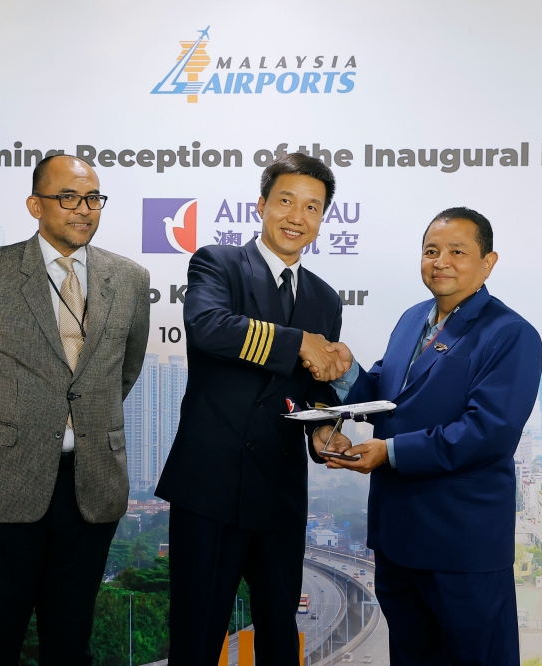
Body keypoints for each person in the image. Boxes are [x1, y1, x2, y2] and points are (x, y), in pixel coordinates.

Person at [0, 155, 150, 666]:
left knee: (70, 642)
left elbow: (125, 370)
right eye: (69, 198)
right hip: (5, 481)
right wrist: (8, 427)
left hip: (91, 485)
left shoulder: (128, 278)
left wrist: (77, 425)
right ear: (36, 205)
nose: (84, 210)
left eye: (93, 199)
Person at [320, 207, 542, 666]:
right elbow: (384, 394)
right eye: (431, 251)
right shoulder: (412, 318)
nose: (440, 261)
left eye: (457, 251)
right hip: (397, 538)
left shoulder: (512, 334)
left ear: (488, 262)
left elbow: (489, 432)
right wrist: (344, 373)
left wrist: (390, 452)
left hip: (461, 546)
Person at [155, 153, 352, 665]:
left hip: (279, 491)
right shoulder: (217, 263)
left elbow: (316, 389)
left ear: (322, 220)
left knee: (280, 638)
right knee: (197, 637)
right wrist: (300, 343)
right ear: (262, 205)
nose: (296, 216)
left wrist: (324, 428)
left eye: (312, 207)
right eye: (285, 201)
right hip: (210, 485)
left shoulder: (325, 298)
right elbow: (209, 328)